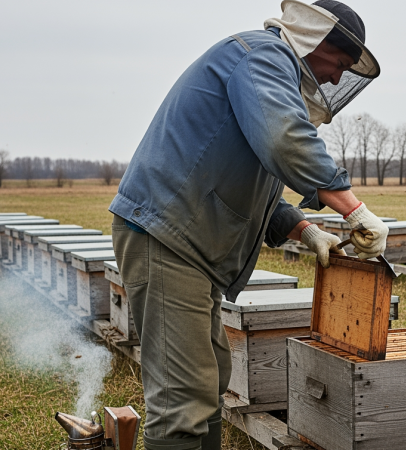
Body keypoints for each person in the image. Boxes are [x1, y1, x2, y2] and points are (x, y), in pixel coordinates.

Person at [108, 1, 388, 449]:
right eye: (338, 63)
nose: (337, 78)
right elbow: (284, 140)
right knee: (183, 399)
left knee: (211, 375)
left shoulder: (266, 77)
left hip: (187, 246)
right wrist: (352, 208)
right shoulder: (261, 56)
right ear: (314, 41)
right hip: (167, 239)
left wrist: (306, 230)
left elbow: (257, 192)